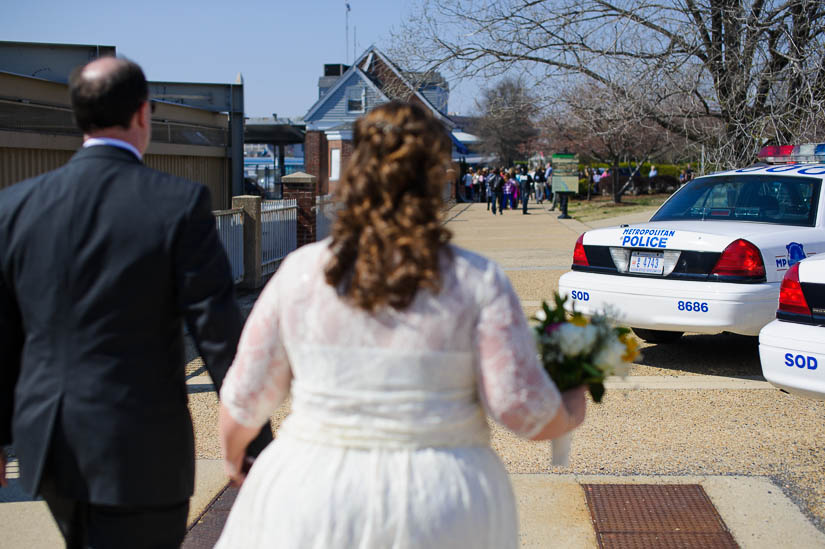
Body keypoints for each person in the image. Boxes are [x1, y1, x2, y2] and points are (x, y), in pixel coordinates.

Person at [214, 102, 587, 548]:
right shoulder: (477, 280)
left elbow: (245, 396)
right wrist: (571, 405)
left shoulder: (300, 272)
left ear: (354, 175)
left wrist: (234, 456)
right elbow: (520, 408)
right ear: (436, 179)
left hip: (314, 492)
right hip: (439, 500)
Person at [0, 57, 271, 548]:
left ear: (79, 116)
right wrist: (254, 444)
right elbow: (218, 335)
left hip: (49, 445)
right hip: (141, 449)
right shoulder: (178, 204)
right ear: (143, 114)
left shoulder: (15, 207)